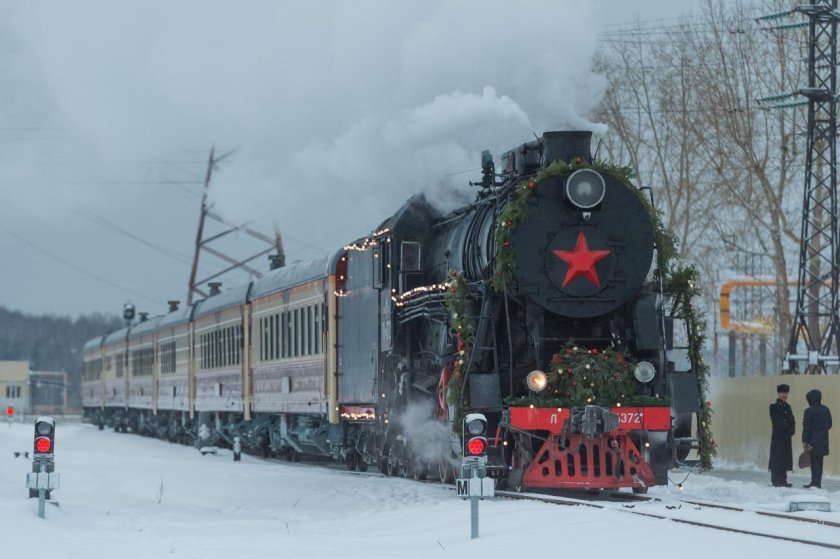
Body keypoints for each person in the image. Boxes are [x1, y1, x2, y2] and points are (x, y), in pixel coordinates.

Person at [802, 388, 832, 489]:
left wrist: (804, 441)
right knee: (820, 462)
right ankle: (817, 482)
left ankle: (814, 483)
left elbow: (807, 427)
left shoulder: (809, 411)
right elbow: (830, 425)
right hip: (823, 441)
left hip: (812, 442)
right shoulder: (826, 409)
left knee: (814, 462)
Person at [768, 384, 795, 487]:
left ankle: (783, 479)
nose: (785, 395)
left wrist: (792, 430)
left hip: (786, 437)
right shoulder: (774, 406)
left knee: (785, 458)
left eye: (786, 393)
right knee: (777, 458)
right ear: (778, 393)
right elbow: (777, 422)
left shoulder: (788, 407)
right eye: (783, 393)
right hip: (778, 437)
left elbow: (792, 420)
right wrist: (788, 429)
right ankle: (776, 480)